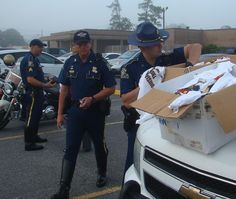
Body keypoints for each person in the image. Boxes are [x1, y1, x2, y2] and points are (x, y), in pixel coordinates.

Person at [120, 22, 202, 175]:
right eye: (155, 43)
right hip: (139, 122)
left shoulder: (165, 59)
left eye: (160, 41)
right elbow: (126, 101)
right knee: (134, 162)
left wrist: (189, 66)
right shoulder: (130, 67)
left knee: (165, 162)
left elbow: (195, 47)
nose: (160, 45)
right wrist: (149, 82)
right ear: (143, 47)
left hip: (163, 119)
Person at [51, 30, 116, 199]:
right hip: (75, 113)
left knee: (99, 145)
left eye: (86, 43)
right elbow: (64, 89)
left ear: (90, 43)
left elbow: (111, 88)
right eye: (79, 44)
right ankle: (64, 189)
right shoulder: (70, 62)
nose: (83, 46)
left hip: (95, 113)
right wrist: (59, 114)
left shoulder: (100, 62)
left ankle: (102, 173)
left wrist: (93, 99)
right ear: (74, 45)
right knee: (70, 148)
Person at [20, 39, 55, 151]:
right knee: (31, 117)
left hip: (38, 92)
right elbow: (30, 79)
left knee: (36, 116)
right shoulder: (29, 60)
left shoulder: (34, 59)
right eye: (40, 47)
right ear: (33, 46)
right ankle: (29, 143)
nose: (42, 49)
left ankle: (34, 137)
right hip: (33, 93)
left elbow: (37, 75)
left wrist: (46, 79)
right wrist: (45, 85)